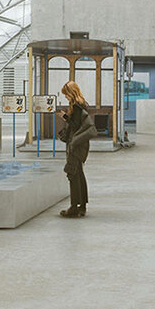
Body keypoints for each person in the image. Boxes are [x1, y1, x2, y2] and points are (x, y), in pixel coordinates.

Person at [57, 80, 96, 218]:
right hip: (80, 143)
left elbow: (75, 125)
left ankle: (74, 207)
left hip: (76, 144)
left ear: (71, 93)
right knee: (78, 173)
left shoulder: (77, 106)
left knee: (72, 174)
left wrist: (65, 117)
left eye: (66, 94)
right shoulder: (82, 104)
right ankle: (82, 206)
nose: (66, 97)